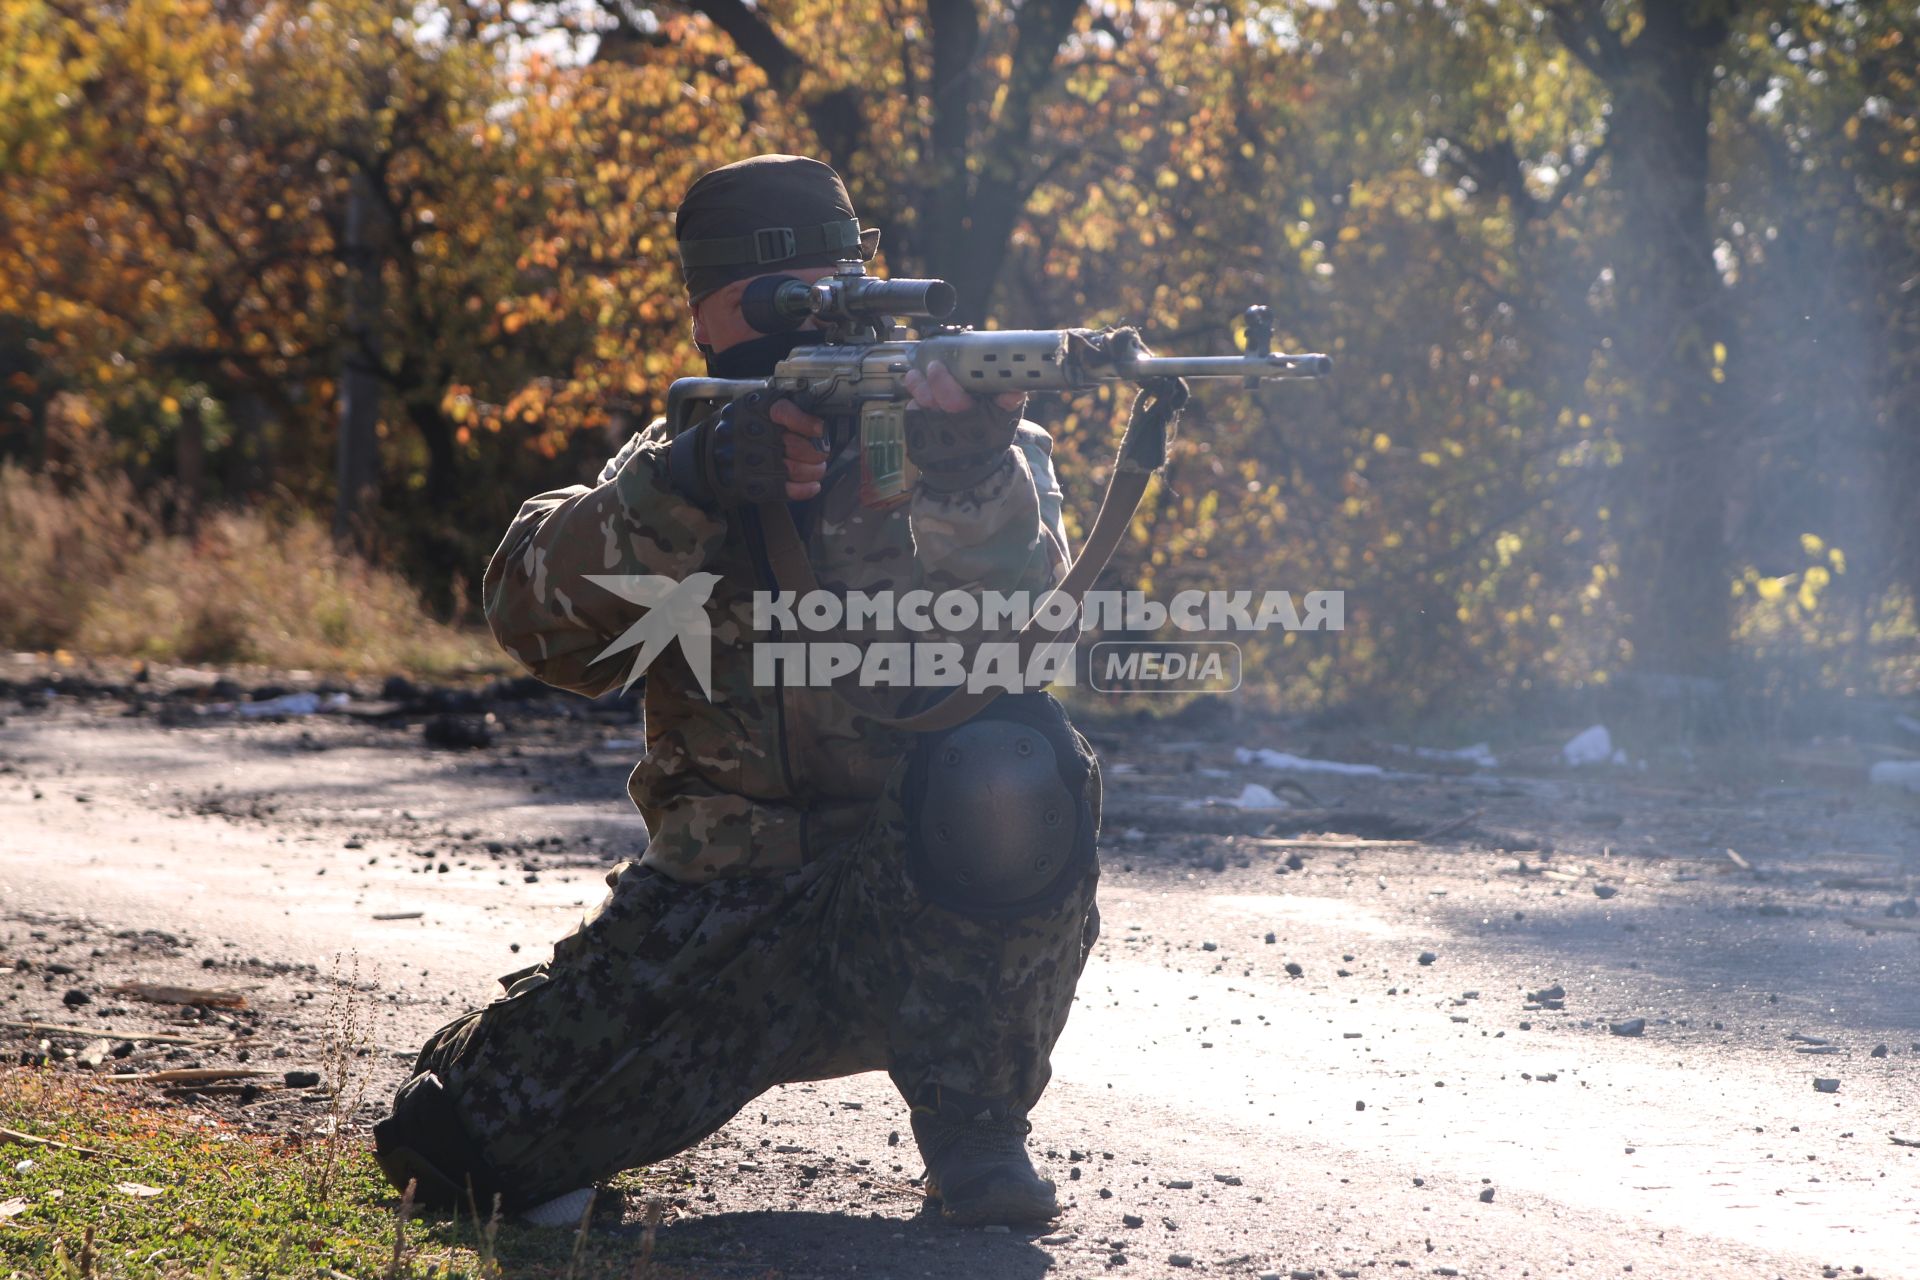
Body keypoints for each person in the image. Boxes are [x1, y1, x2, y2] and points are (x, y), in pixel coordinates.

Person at [372, 154, 1102, 1230]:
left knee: (1015, 760)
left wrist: (964, 470)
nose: (819, 318)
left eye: (837, 285)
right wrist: (689, 485)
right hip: (717, 915)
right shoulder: (673, 459)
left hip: (915, 903)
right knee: (452, 1153)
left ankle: (976, 1118)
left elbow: (1037, 622)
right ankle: (487, 1057)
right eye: (781, 300)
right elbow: (535, 622)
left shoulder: (973, 439)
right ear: (706, 320)